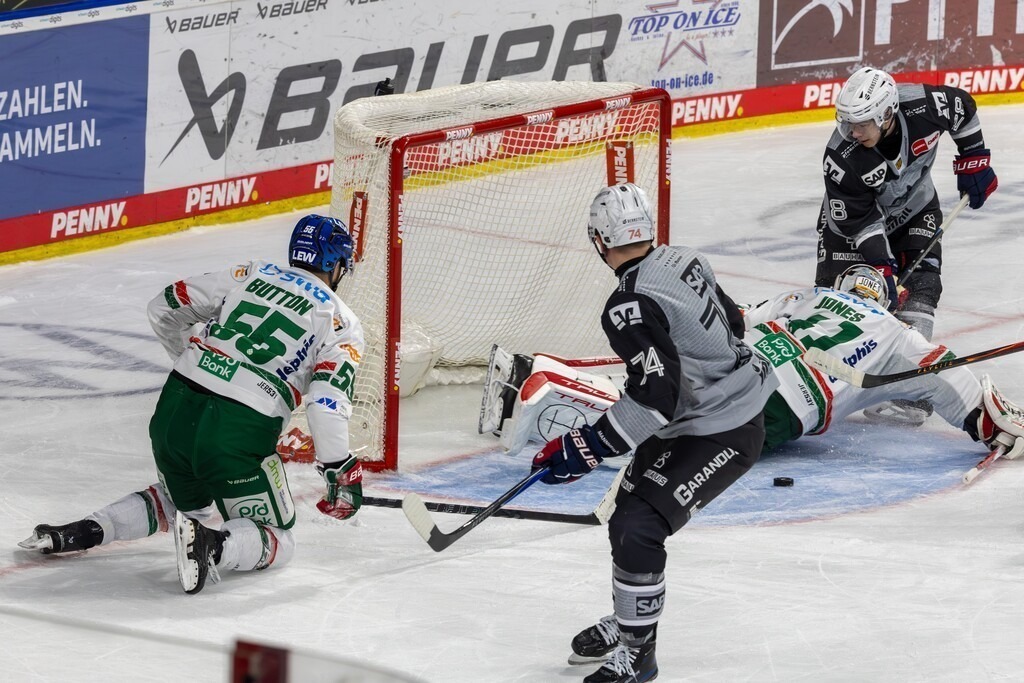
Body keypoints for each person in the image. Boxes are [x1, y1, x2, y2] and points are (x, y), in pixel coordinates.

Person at [18, 215, 366, 595]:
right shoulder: (341, 323)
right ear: (335, 265)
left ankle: (80, 532)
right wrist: (339, 471)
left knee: (180, 500)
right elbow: (326, 403)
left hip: (174, 408)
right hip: (237, 430)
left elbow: (164, 305)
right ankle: (212, 545)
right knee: (278, 537)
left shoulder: (251, 273)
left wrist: (196, 363)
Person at [525, 183, 778, 683]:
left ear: (600, 240)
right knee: (630, 513)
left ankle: (639, 655)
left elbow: (656, 397)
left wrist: (585, 447)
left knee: (637, 526)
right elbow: (733, 322)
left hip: (724, 425)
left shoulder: (628, 304)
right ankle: (629, 621)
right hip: (707, 410)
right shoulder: (685, 258)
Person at [484, 264, 1024, 466]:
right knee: (670, 427)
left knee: (666, 377)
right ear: (886, 299)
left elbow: (736, 320)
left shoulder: (807, 297)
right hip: (781, 405)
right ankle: (554, 393)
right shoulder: (900, 336)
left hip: (742, 361)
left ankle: (546, 369)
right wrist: (997, 422)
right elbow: (965, 391)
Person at [816, 66, 998, 426]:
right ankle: (825, 384)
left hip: (916, 211)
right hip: (851, 229)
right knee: (842, 307)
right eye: (848, 122)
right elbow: (860, 221)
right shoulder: (841, 156)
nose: (852, 131)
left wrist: (973, 159)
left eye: (862, 123)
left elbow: (963, 108)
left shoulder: (923, 106)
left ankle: (909, 388)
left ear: (886, 114)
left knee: (923, 289)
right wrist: (882, 267)